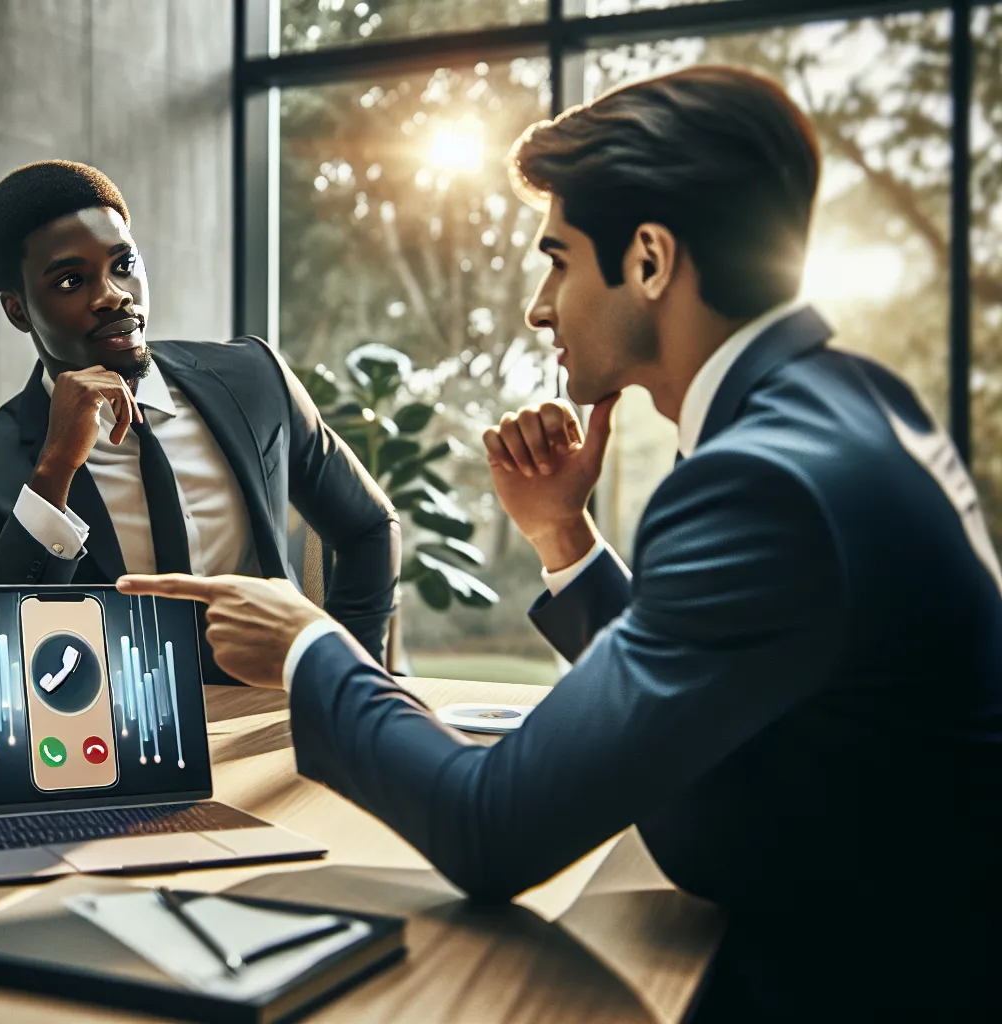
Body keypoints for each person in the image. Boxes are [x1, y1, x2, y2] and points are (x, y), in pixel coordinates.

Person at [120, 66, 1002, 1020]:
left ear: (651, 261)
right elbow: (705, 678)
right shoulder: (851, 401)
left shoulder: (762, 484)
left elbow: (490, 828)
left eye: (560, 260)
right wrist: (563, 537)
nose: (542, 309)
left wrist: (304, 646)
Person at [0, 160, 400, 663]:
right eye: (71, 281)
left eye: (123, 265)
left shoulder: (254, 378)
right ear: (18, 310)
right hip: (113, 737)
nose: (112, 294)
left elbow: (368, 530)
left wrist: (351, 681)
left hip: (267, 717)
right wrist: (55, 469)